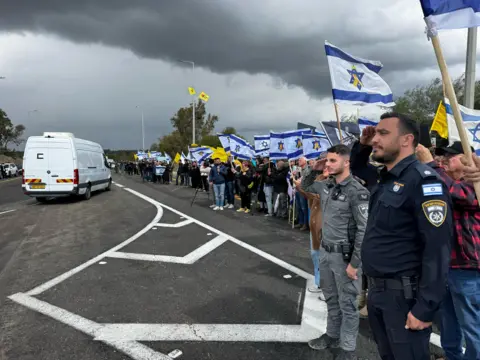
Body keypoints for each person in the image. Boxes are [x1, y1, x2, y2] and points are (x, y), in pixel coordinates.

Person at [360, 113, 454, 360]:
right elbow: (358, 166)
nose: (375, 139)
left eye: (383, 133)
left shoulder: (423, 182)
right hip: (378, 292)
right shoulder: (385, 178)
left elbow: (438, 249)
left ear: (406, 140)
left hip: (403, 296)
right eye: (375, 134)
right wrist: (363, 144)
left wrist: (425, 308)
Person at [298, 145, 369, 360]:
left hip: (345, 257)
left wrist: (354, 264)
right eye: (327, 160)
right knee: (331, 298)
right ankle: (331, 334)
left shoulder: (357, 191)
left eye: (332, 161)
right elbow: (304, 185)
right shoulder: (326, 185)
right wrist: (315, 168)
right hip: (326, 253)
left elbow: (363, 230)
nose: (328, 164)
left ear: (346, 162)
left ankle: (348, 349)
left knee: (348, 304)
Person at [416, 141, 480, 360]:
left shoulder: (475, 184)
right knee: (449, 323)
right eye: (441, 157)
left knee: (472, 327)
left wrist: (430, 164)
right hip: (446, 266)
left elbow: (460, 194)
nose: (443, 160)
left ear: (467, 158)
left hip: (467, 268)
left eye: (450, 156)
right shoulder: (445, 181)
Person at [296, 164, 329, 301]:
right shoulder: (319, 178)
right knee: (316, 255)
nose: (327, 166)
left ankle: (327, 288)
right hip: (315, 224)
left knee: (326, 259)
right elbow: (308, 191)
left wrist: (300, 187)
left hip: (326, 227)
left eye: (332, 161)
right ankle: (319, 283)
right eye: (326, 163)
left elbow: (311, 193)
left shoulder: (336, 183)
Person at [295, 157, 310, 231]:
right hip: (298, 190)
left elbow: (305, 180)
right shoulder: (299, 170)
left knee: (304, 207)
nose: (298, 161)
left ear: (305, 161)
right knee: (299, 207)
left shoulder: (307, 170)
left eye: (300, 160)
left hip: (303, 190)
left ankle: (305, 224)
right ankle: (301, 222)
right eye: (298, 160)